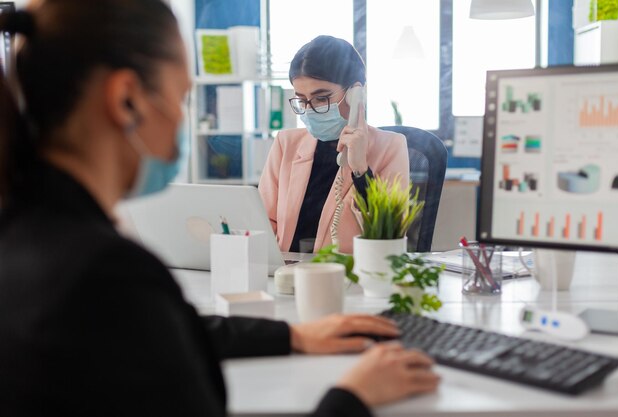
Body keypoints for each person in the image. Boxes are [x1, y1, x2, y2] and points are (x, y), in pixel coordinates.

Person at [0, 2, 438, 417]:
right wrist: (353, 396)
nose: (183, 117)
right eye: (182, 96)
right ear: (127, 100)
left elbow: (163, 331)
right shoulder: (111, 271)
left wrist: (292, 335)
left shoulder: (25, 239)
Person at [259, 35, 410, 254]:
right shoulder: (286, 144)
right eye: (302, 100)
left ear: (355, 93)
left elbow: (391, 235)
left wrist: (360, 170)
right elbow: (262, 223)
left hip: (350, 278)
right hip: (287, 277)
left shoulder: (390, 147)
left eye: (321, 98)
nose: (310, 110)